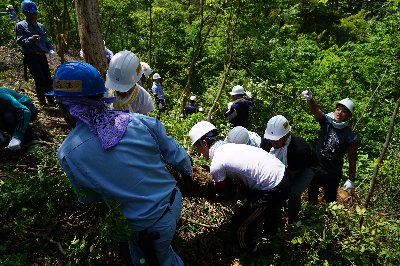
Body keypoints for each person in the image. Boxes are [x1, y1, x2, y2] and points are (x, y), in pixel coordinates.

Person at [47, 61, 192, 266]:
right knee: (147, 250)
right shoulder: (142, 122)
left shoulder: (68, 153)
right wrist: (189, 171)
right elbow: (179, 158)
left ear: (68, 108)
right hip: (172, 204)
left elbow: (88, 197)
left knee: (162, 259)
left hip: (136, 224)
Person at [189, 121, 290, 253]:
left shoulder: (217, 163)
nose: (199, 152)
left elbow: (224, 194)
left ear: (205, 144)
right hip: (282, 175)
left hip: (274, 188)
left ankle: (247, 251)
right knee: (267, 211)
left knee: (239, 222)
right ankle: (272, 234)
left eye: (198, 148)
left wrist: (216, 198)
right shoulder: (231, 147)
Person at [301, 90, 358, 205]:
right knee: (312, 198)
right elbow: (316, 111)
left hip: (333, 173)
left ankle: (325, 220)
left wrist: (351, 179)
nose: (339, 113)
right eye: (338, 109)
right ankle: (310, 219)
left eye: (344, 112)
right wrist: (310, 99)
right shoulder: (327, 122)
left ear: (349, 116)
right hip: (317, 168)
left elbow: (352, 158)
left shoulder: (350, 136)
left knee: (330, 201)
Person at [260, 115, 318, 223]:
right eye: (271, 139)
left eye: (276, 140)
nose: (273, 142)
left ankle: (294, 220)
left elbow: (290, 176)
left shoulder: (299, 148)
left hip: (306, 167)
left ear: (286, 136)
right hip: (285, 166)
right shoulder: (266, 143)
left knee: (293, 192)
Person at [15, 0, 54, 106]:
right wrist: (31, 39)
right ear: (25, 13)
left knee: (48, 79)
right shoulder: (20, 25)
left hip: (42, 56)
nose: (33, 15)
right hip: (31, 57)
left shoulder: (40, 26)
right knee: (40, 80)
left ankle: (51, 100)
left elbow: (47, 39)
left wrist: (51, 49)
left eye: (34, 13)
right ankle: (42, 102)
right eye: (30, 13)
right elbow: (20, 41)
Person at [105, 51, 154, 115]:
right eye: (117, 87)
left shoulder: (144, 98)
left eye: (124, 88)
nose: (120, 91)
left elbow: (145, 119)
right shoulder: (106, 92)